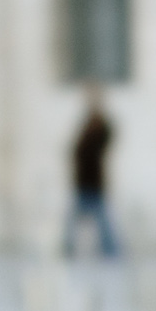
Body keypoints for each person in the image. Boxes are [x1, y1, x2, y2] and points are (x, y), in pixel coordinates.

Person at [64, 88, 121, 260]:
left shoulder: (99, 131)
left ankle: (111, 253)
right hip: (83, 184)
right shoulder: (86, 129)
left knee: (103, 224)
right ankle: (68, 251)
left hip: (94, 184)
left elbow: (107, 135)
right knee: (75, 223)